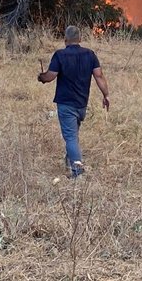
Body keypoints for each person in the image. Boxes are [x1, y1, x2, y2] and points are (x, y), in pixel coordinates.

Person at [37, 26, 110, 178]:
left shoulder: (60, 55)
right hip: (82, 104)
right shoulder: (90, 54)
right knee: (73, 134)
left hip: (66, 104)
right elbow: (99, 76)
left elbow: (50, 76)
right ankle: (69, 160)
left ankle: (77, 171)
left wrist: (41, 77)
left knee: (70, 137)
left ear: (65, 40)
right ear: (80, 39)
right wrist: (106, 95)